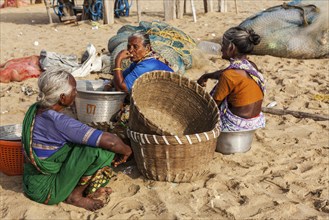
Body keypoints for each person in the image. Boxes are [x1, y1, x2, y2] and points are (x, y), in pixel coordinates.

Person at [22, 68, 132, 211]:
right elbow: (111, 142)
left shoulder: (35, 110)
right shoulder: (59, 122)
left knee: (82, 143)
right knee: (102, 152)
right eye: (74, 90)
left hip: (31, 181)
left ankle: (83, 189)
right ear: (62, 97)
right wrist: (128, 151)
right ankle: (75, 196)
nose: (76, 93)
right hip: (47, 190)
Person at [197, 26, 266, 131]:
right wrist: (207, 76)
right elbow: (227, 74)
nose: (221, 48)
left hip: (236, 125)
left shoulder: (229, 75)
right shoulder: (250, 66)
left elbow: (214, 105)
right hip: (256, 121)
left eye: (223, 44)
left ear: (231, 48)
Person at [105, 32, 174, 93]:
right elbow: (122, 77)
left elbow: (122, 88)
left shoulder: (148, 65)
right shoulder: (138, 62)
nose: (131, 50)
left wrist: (118, 60)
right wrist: (110, 84)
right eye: (129, 47)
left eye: (135, 47)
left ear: (147, 48)